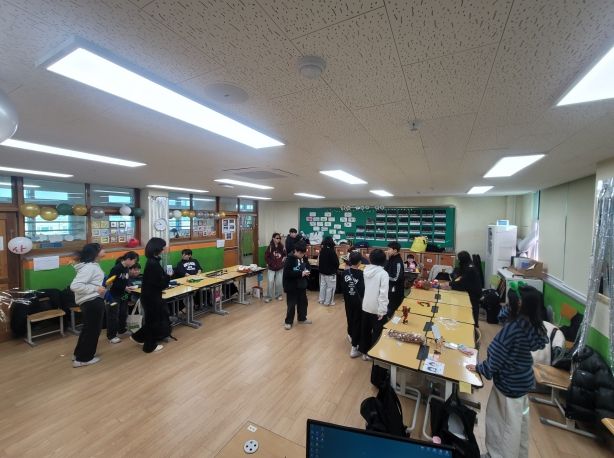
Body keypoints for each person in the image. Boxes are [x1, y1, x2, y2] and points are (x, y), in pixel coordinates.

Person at [466, 287, 548, 458]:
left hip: (508, 387)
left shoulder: (513, 329)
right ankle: (519, 454)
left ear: (520, 304)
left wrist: (480, 368)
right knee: (519, 424)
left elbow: (496, 356)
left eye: (511, 301)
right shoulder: (534, 325)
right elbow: (502, 317)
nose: (507, 304)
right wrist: (511, 310)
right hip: (523, 385)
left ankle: (497, 455)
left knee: (502, 426)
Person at [131, 238, 171, 353]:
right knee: (153, 322)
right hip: (151, 298)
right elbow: (160, 284)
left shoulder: (153, 261)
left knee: (152, 321)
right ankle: (149, 346)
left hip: (150, 296)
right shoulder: (153, 264)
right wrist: (168, 277)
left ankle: (138, 337)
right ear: (157, 248)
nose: (164, 249)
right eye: (163, 247)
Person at [71, 243, 106, 368]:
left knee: (88, 330)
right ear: (95, 253)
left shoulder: (92, 265)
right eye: (101, 249)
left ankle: (79, 354)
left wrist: (99, 288)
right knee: (92, 331)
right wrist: (96, 289)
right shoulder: (89, 267)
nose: (104, 251)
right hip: (92, 302)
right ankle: (83, 359)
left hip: (91, 301)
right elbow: (75, 286)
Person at [359, 248, 389, 361]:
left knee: (365, 330)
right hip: (377, 308)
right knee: (377, 331)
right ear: (384, 260)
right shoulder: (383, 274)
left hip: (366, 304)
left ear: (370, 259)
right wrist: (382, 310)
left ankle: (364, 352)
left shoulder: (366, 270)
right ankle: (374, 354)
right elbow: (383, 294)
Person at [106, 251, 139, 344]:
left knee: (123, 313)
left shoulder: (126, 268)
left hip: (123, 295)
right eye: (134, 261)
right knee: (113, 315)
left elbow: (125, 280)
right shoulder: (116, 268)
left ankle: (122, 330)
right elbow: (110, 282)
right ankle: (111, 336)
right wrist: (124, 288)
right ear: (128, 259)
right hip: (114, 295)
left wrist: (128, 287)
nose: (134, 263)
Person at [282, 241, 312, 330]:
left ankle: (302, 318)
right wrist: (301, 273)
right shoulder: (289, 259)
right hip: (292, 286)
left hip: (302, 285)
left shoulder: (303, 257)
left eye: (303, 253)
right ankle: (288, 322)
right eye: (300, 253)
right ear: (296, 251)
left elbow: (308, 266)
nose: (302, 255)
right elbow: (287, 273)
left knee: (303, 303)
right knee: (291, 305)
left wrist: (307, 271)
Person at [450, 250, 482, 326]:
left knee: (473, 308)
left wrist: (450, 284)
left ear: (463, 259)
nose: (458, 261)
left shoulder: (470, 268)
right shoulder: (467, 264)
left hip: (474, 292)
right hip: (470, 288)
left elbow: (462, 281)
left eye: (459, 259)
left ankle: (474, 325)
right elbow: (460, 275)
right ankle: (464, 321)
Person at [342, 251, 364, 358]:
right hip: (358, 302)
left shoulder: (345, 272)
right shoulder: (361, 274)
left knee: (350, 318)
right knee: (357, 321)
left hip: (348, 301)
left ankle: (350, 334)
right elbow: (363, 289)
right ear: (359, 262)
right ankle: (354, 346)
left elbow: (343, 287)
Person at [264, 232, 286, 303]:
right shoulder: (270, 247)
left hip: (280, 268)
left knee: (279, 283)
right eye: (277, 238)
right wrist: (270, 263)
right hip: (271, 268)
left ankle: (278, 295)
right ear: (273, 238)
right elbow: (266, 257)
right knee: (270, 282)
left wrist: (282, 262)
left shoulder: (282, 247)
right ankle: (269, 296)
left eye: (279, 238)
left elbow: (285, 255)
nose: (278, 239)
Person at [385, 241, 404, 318]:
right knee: (388, 305)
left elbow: (396, 278)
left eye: (389, 249)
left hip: (396, 290)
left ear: (395, 250)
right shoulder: (391, 258)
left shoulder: (398, 262)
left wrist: (384, 277)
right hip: (390, 288)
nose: (387, 251)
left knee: (392, 308)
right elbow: (386, 269)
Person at [318, 236, 339, 306]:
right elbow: (336, 263)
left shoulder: (322, 250)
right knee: (330, 287)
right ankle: (328, 302)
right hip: (330, 273)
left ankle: (321, 300)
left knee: (323, 286)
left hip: (322, 272)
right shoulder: (331, 251)